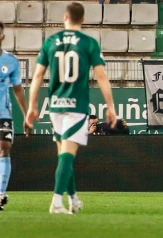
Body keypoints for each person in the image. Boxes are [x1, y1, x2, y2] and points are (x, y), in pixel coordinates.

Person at [25, 2, 117, 214]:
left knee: (63, 154)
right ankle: (56, 202)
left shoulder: (51, 41)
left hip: (55, 106)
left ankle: (73, 199)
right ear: (82, 20)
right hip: (76, 106)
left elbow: (37, 75)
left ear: (65, 18)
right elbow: (101, 76)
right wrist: (110, 106)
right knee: (68, 154)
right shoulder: (89, 43)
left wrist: (32, 106)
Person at [0, 22, 29, 211]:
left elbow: (18, 89)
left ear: (2, 36)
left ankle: (0, 194)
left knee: (5, 147)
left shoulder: (10, 61)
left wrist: (27, 115)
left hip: (3, 113)